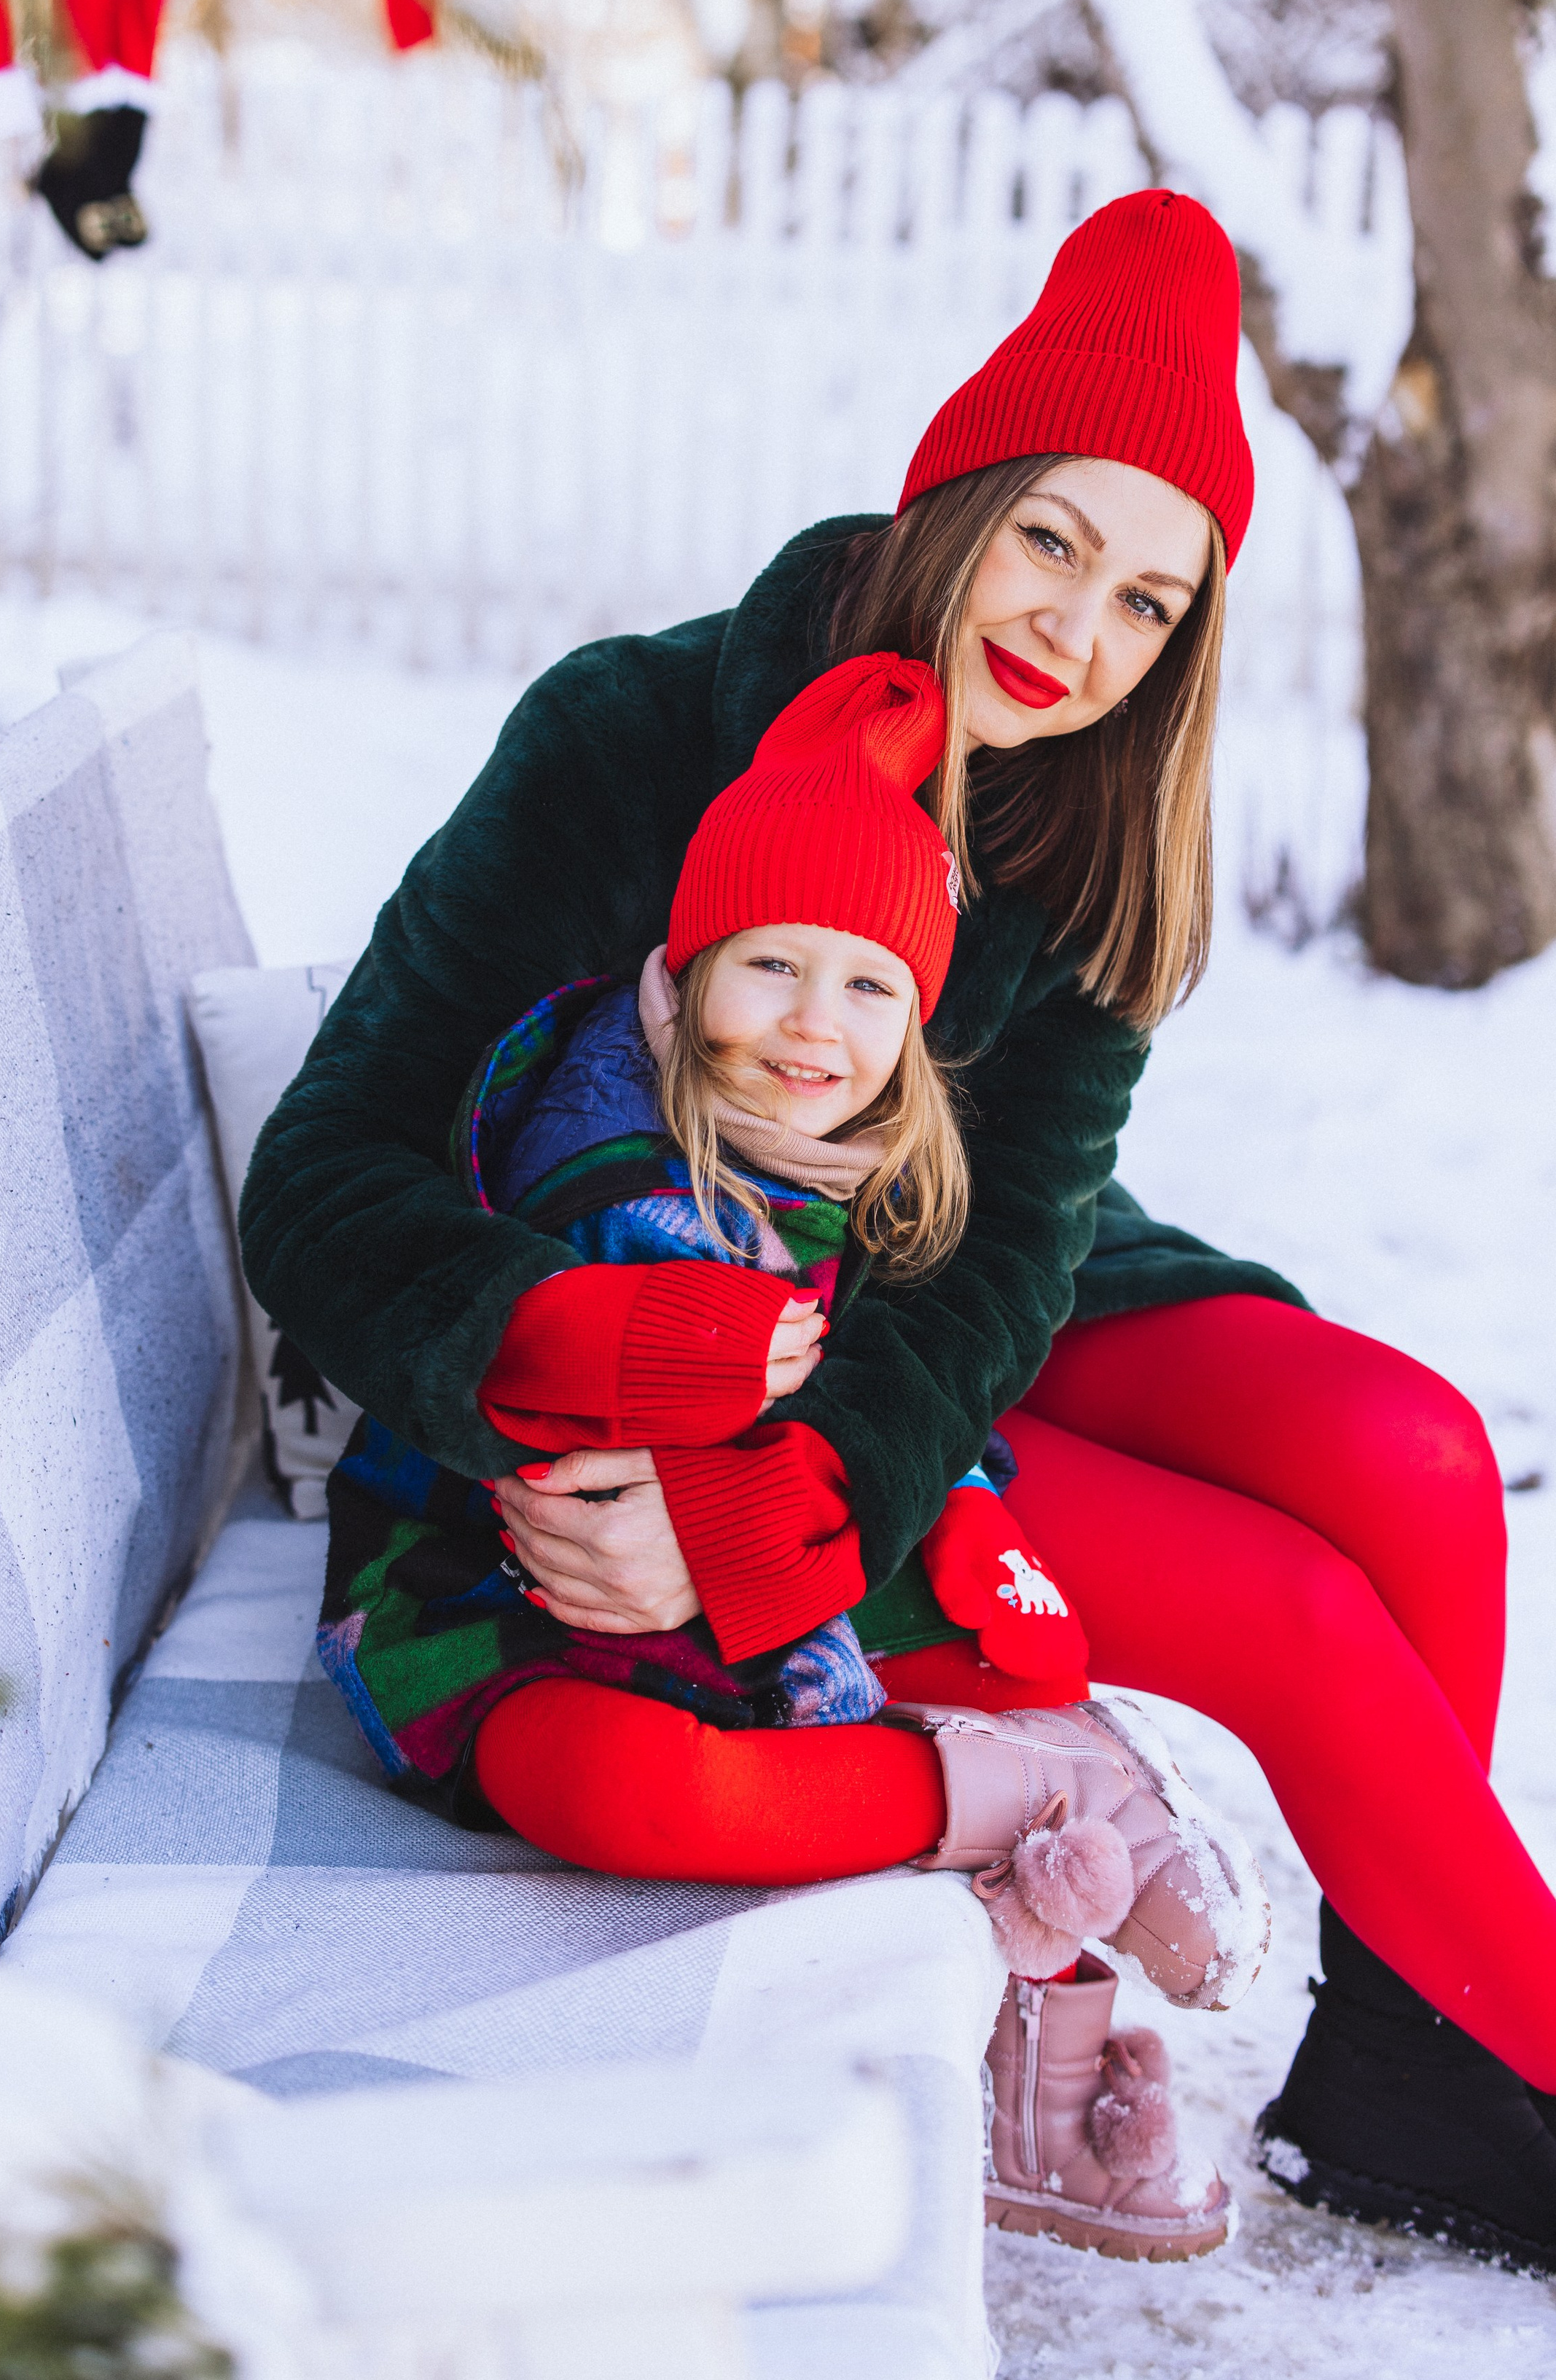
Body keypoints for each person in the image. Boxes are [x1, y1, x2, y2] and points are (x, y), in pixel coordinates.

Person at [243, 189, 1556, 2277]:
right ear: (958, 497)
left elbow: (1012, 1244)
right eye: (1052, 541)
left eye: (1149, 603)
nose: (1078, 632)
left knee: (1409, 1451)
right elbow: (330, 1166)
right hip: (713, 1337)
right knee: (1300, 1623)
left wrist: (815, 1495)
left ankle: (1419, 2058)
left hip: (951, 1308)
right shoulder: (632, 735)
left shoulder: (1090, 825)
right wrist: (632, 1431)